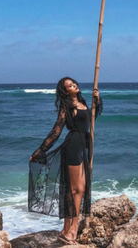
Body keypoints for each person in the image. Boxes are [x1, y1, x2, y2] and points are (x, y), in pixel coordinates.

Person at [28, 77, 102, 245]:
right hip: (73, 145)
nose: (74, 85)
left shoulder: (82, 101)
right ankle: (72, 229)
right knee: (76, 189)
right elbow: (57, 130)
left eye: (73, 83)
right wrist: (41, 150)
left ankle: (67, 228)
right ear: (65, 91)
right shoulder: (66, 106)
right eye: (69, 85)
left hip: (83, 145)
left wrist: (97, 100)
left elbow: (90, 120)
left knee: (80, 189)